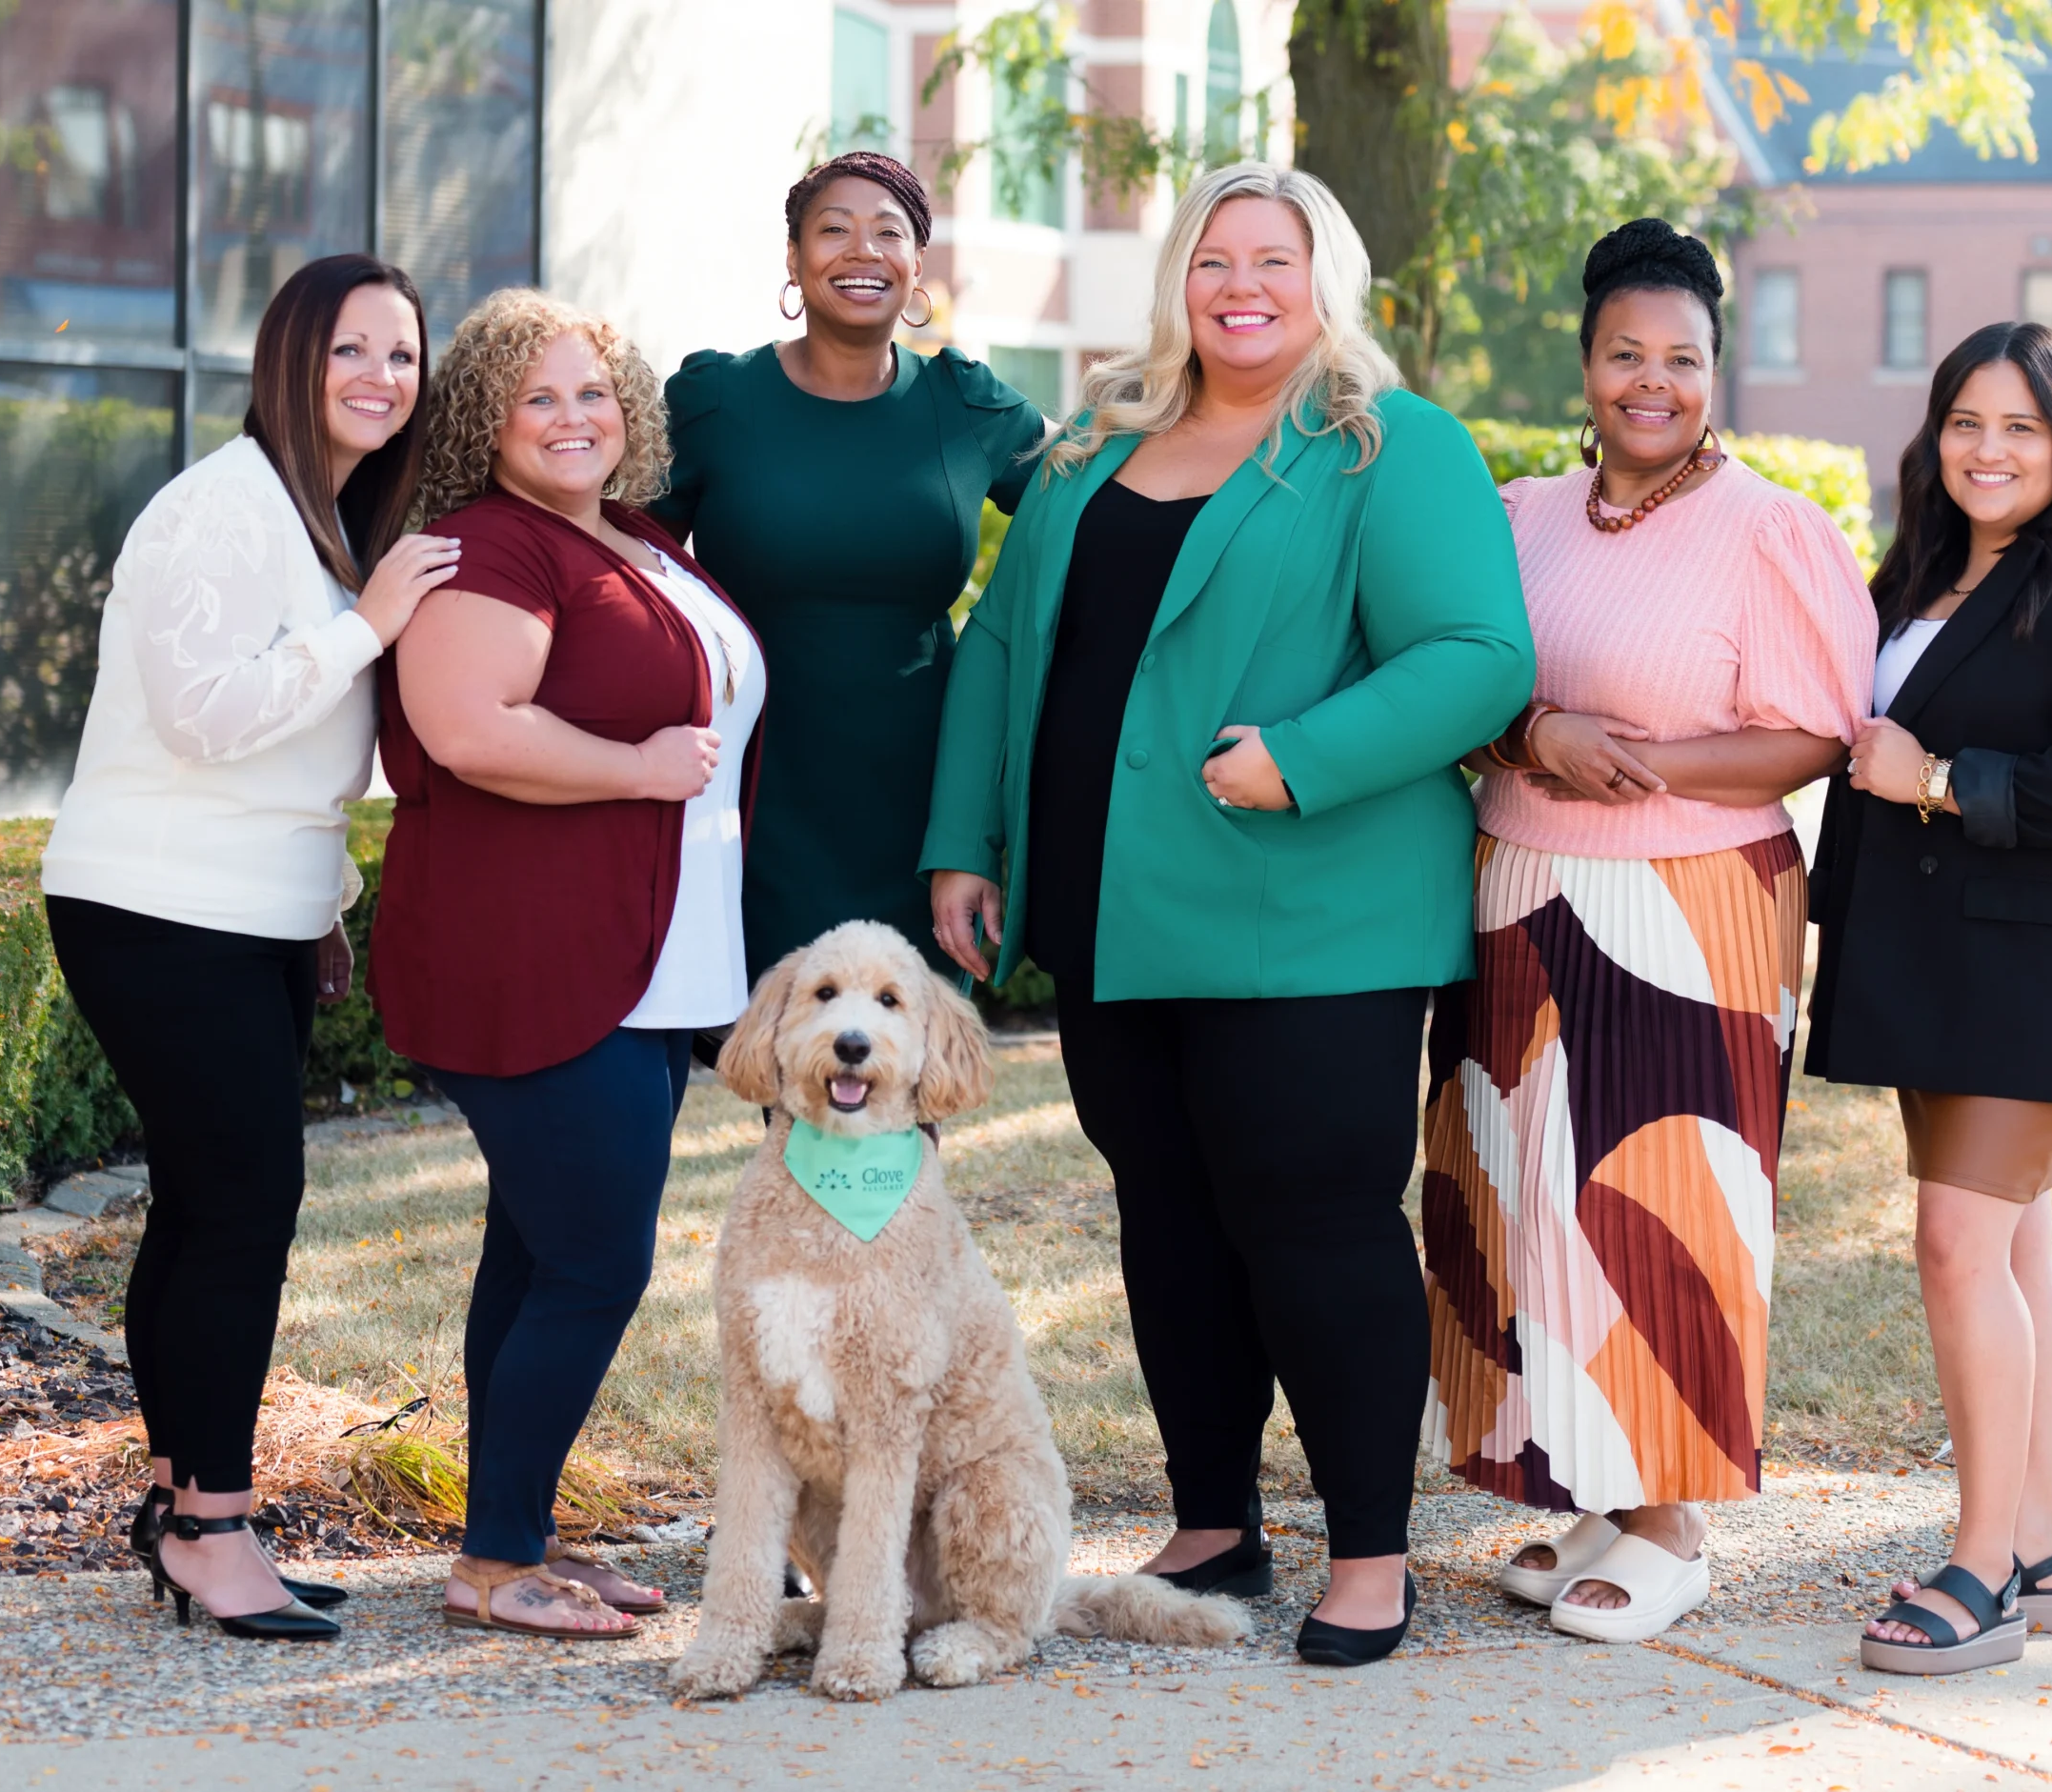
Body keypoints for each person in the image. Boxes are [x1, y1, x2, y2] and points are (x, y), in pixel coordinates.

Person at [923, 162, 1535, 1668]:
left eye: (1276, 256)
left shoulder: (1391, 448)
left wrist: (1301, 761)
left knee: (1315, 1223)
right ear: (1177, 280)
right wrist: (965, 840)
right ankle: (1215, 1516)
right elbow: (1005, 646)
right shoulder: (1092, 448)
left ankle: (1372, 1552)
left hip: (1309, 915)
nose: (1241, 284)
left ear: (1329, 277)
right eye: (1214, 257)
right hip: (1114, 911)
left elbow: (1477, 656)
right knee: (1168, 1217)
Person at [1418, 218, 1878, 1644]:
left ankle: (1671, 1514)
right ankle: (1588, 1488)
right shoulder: (1517, 514)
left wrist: (1646, 764)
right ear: (1586, 362)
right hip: (1515, 890)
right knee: (1522, 1188)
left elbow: (1814, 736)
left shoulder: (1769, 532)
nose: (1652, 380)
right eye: (1627, 353)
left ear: (1715, 370)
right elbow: (1459, 678)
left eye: (1681, 357)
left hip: (1692, 908)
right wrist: (1538, 731)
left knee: (1664, 1200)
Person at [41, 253, 457, 1640]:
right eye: (351, 350)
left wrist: (319, 901)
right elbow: (205, 714)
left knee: (202, 1211)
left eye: (402, 356)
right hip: (164, 910)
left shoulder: (315, 512)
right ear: (290, 357)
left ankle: (181, 1505)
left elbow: (281, 767)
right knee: (240, 1216)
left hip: (249, 912)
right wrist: (368, 629)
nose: (380, 380)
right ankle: (217, 1531)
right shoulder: (219, 507)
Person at [371, 290, 764, 1640]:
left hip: (647, 966)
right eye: (538, 396)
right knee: (596, 1262)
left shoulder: (632, 539)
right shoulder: (488, 547)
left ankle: (511, 1537)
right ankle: (493, 1561)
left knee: (537, 1258)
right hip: (532, 959)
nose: (573, 416)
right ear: (486, 417)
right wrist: (639, 770)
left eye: (594, 391)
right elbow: (469, 727)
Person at [1809, 322, 2052, 1675]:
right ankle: (2048, 1544)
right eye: (1967, 421)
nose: (1989, 448)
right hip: (1926, 963)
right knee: (2015, 1248)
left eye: (2020, 426)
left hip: (2033, 965)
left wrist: (1941, 779)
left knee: (1959, 1249)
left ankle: (1984, 1574)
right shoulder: (1914, 574)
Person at [651, 151, 1047, 990]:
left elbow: (1095, 499)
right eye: (833, 231)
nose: (861, 251)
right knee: (794, 1057)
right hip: (760, 786)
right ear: (793, 261)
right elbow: (619, 550)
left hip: (924, 794)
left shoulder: (965, 405)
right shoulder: (717, 402)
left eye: (887, 232)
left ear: (917, 267)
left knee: (915, 1064)